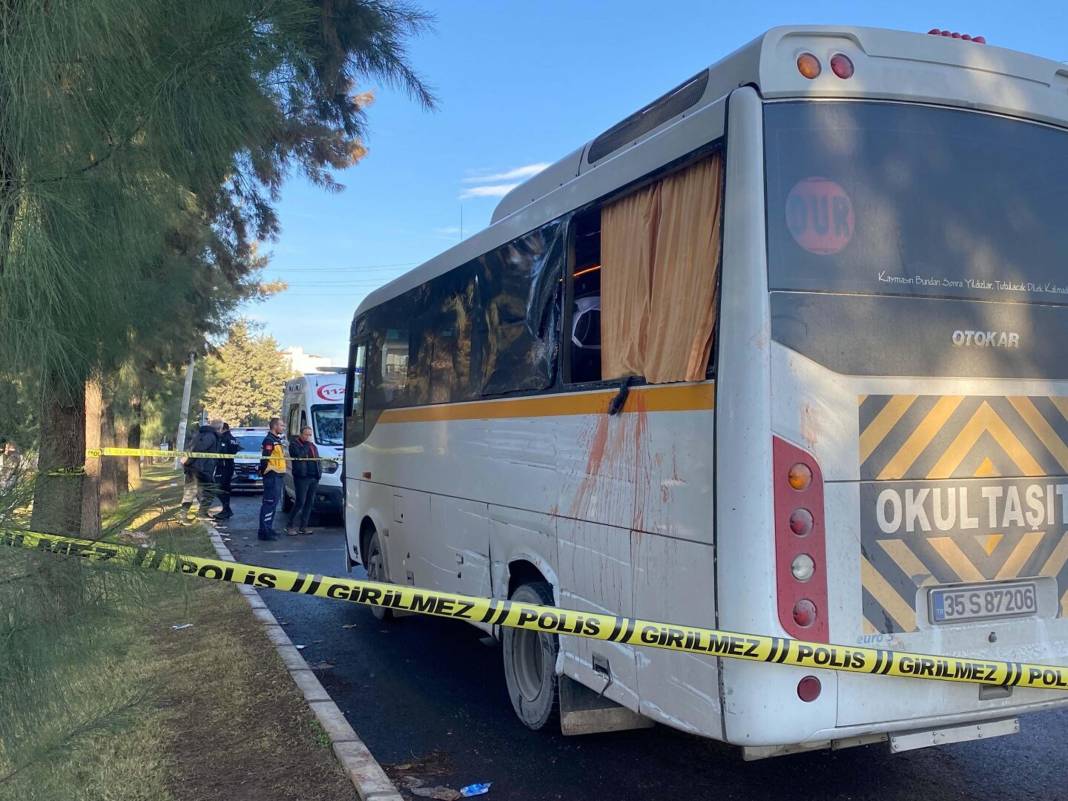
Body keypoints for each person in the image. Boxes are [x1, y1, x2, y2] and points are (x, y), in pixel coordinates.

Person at [179, 420, 221, 523]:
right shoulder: (210, 436)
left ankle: (183, 515)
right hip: (201, 469)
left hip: (195, 467)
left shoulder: (200, 433)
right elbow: (197, 449)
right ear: (219, 428)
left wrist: (187, 461)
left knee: (191, 491)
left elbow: (192, 447)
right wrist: (188, 460)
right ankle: (201, 513)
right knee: (210, 490)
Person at [287, 425, 321, 535]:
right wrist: (306, 444)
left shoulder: (312, 446)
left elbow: (317, 459)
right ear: (301, 434)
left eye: (310, 435)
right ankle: (290, 525)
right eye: (306, 434)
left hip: (313, 477)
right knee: (300, 501)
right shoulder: (294, 444)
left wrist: (318, 473)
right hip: (302, 477)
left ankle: (303, 526)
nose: (308, 437)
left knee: (309, 502)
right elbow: (299, 455)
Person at [258, 417, 287, 541]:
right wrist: (264, 471)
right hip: (272, 475)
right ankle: (264, 531)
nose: (283, 427)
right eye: (281, 425)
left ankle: (268, 528)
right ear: (274, 426)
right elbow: (265, 458)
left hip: (278, 475)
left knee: (274, 504)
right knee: (269, 503)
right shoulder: (269, 440)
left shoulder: (276, 440)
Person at [213, 422, 241, 520]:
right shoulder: (233, 438)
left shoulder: (224, 438)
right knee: (225, 488)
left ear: (223, 429)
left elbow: (221, 452)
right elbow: (237, 449)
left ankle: (227, 509)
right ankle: (226, 510)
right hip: (229, 466)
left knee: (217, 487)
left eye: (218, 429)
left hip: (223, 466)